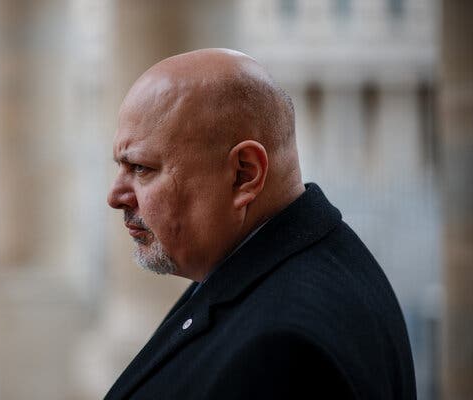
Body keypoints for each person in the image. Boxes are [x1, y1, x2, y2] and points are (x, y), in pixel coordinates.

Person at [105, 48, 416, 399]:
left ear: (244, 174)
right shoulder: (291, 261)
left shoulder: (283, 350)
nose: (115, 196)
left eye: (141, 168)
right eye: (121, 166)